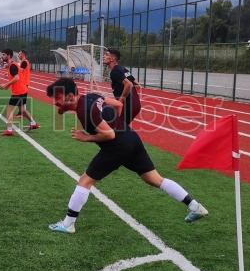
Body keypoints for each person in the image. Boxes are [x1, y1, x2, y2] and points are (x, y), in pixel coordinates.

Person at [44, 77, 208, 233]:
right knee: (154, 179)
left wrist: (86, 137)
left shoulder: (84, 111)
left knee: (85, 181)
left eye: (57, 98)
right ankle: (194, 206)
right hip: (131, 138)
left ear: (71, 96)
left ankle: (68, 224)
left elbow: (109, 135)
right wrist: (119, 124)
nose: (55, 102)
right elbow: (117, 104)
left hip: (117, 146)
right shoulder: (91, 96)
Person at [0, 49, 39, 136]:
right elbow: (15, 77)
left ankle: (9, 130)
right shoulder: (12, 65)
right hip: (23, 90)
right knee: (23, 110)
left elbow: (16, 78)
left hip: (18, 92)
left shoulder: (13, 65)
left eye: (4, 55)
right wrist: (7, 86)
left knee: (9, 110)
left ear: (9, 56)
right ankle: (33, 123)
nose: (2, 57)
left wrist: (5, 85)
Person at [105, 49, 140, 126]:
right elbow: (137, 85)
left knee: (117, 128)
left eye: (106, 55)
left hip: (128, 106)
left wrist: (120, 100)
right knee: (121, 126)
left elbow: (129, 84)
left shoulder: (115, 71)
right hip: (136, 104)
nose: (104, 56)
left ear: (112, 58)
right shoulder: (123, 69)